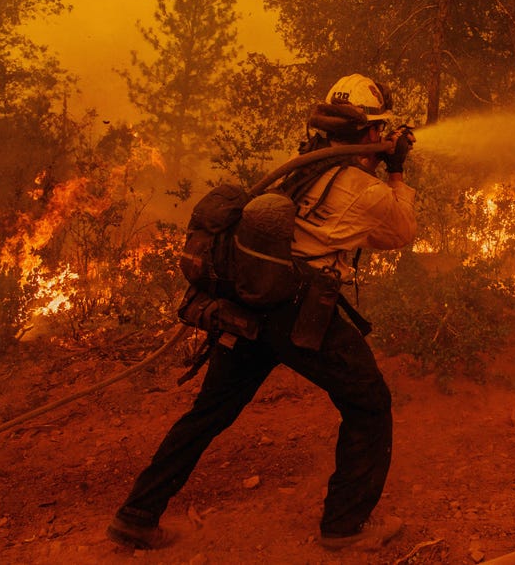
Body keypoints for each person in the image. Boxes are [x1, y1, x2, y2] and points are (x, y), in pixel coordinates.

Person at [107, 73, 417, 552]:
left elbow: (358, 231)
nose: (383, 139)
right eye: (380, 132)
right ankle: (344, 527)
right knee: (368, 402)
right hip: (297, 311)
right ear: (369, 133)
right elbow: (399, 233)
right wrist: (396, 171)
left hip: (250, 303)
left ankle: (137, 515)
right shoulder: (366, 190)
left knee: (209, 413)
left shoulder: (302, 167)